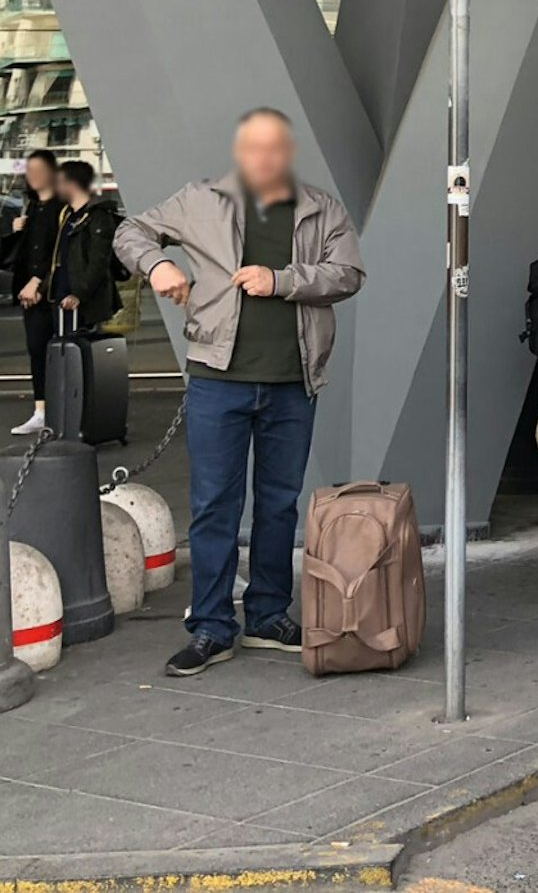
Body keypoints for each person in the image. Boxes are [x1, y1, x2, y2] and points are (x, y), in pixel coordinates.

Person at [114, 108, 365, 677]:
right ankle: (210, 626)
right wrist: (155, 267)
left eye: (275, 148)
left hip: (293, 382)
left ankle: (268, 615)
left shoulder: (319, 207)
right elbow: (131, 231)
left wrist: (281, 280)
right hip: (217, 380)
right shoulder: (201, 199)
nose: (264, 159)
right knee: (213, 508)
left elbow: (347, 274)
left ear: (288, 152)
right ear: (240, 152)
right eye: (254, 148)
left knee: (279, 505)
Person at [8, 150, 65, 435]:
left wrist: (38, 281)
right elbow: (21, 253)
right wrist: (16, 230)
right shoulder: (31, 207)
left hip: (51, 292)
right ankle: (41, 411)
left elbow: (57, 252)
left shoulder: (61, 207)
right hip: (27, 293)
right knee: (36, 350)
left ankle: (64, 411)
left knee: (60, 351)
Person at [48, 160, 121, 330]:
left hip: (84, 301)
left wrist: (79, 294)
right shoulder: (67, 216)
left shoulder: (98, 217)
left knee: (82, 349)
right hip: (62, 295)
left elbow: (99, 262)